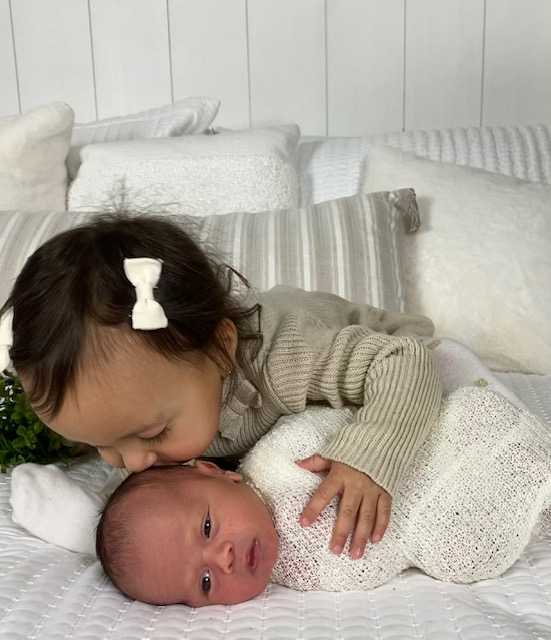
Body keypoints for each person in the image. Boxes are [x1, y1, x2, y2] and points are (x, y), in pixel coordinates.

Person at [0, 210, 442, 557]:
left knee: (439, 398)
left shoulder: (284, 357)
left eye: (154, 433)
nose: (132, 463)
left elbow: (404, 359)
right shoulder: (144, 400)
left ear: (220, 351)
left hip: (394, 345)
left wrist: (370, 454)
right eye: (100, 445)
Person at [94, 388, 551, 607]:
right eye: (207, 583)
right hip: (421, 521)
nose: (225, 559)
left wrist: (356, 455)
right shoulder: (293, 574)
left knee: (475, 444)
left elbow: (333, 421)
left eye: (208, 529)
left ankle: (515, 456)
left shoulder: (274, 460)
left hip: (414, 449)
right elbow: (377, 558)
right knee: (462, 554)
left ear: (218, 474)